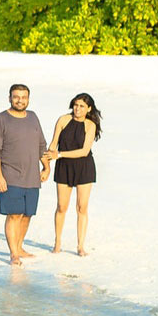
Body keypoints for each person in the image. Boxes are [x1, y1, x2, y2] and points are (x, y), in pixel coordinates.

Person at [0, 84, 49, 265]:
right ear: (9, 98)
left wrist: (45, 167)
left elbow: (41, 145)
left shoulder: (33, 117)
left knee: (27, 214)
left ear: (28, 98)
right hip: (10, 175)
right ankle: (14, 253)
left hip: (32, 176)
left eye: (23, 97)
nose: (20, 100)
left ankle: (20, 246)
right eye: (16, 97)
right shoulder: (0, 119)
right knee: (14, 214)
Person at [45, 92, 101, 256]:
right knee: (62, 206)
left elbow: (84, 151)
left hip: (84, 167)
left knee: (81, 207)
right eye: (76, 105)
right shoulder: (63, 119)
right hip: (63, 167)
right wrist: (46, 164)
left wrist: (60, 155)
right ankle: (57, 243)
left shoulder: (90, 125)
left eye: (82, 106)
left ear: (88, 109)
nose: (78, 108)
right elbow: (53, 144)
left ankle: (80, 246)